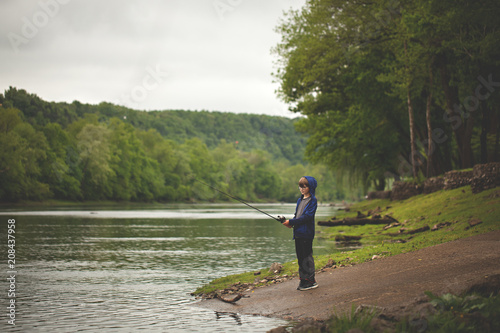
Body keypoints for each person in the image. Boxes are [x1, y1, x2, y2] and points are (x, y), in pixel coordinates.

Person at [281, 176, 318, 291]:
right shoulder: (299, 200)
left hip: (306, 234)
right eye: (300, 186)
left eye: (304, 186)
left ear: (310, 187)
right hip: (298, 233)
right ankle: (303, 280)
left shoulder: (313, 201)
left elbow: (306, 217)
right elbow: (297, 215)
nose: (301, 189)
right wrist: (290, 223)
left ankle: (310, 281)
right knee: (300, 257)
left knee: (307, 257)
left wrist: (291, 222)